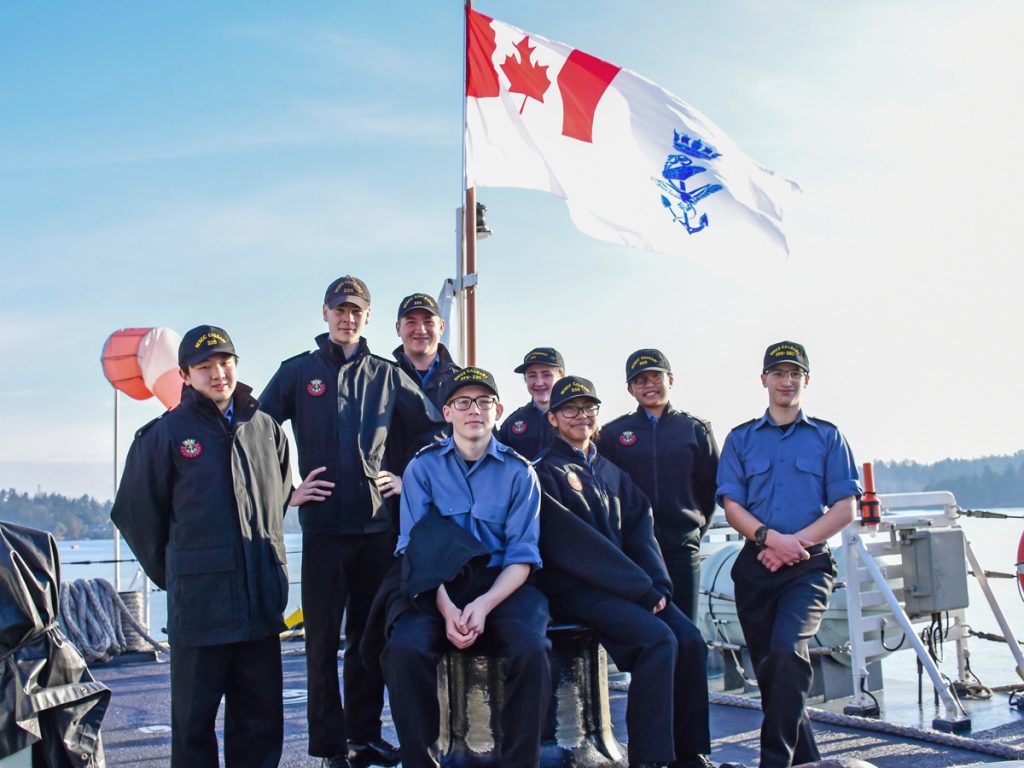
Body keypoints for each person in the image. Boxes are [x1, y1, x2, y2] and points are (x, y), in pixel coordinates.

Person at [260, 276, 444, 768]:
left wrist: (406, 478)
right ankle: (328, 745)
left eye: (356, 311)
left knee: (369, 640)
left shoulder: (386, 374)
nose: (348, 318)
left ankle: (364, 736)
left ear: (367, 318)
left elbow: (432, 430)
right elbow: (256, 432)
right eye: (340, 310)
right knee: (320, 646)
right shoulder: (298, 373)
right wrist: (286, 491)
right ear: (325, 314)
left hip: (375, 530)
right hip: (322, 532)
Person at [111, 325, 292, 768]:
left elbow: (279, 498)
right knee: (194, 729)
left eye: (225, 363)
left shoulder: (265, 428)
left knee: (260, 726)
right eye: (204, 366)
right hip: (201, 611)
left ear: (237, 366)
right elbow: (137, 515)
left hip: (259, 608)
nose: (218, 373)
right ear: (185, 375)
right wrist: (180, 572)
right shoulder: (165, 435)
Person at [534, 375, 712, 768]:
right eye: (570, 409)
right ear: (553, 418)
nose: (581, 416)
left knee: (691, 641)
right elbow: (574, 546)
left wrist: (659, 586)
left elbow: (639, 529)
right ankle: (650, 759)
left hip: (626, 588)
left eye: (588, 408)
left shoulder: (612, 473)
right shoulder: (545, 473)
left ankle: (690, 753)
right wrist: (639, 590)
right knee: (656, 641)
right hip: (575, 589)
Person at [381, 367, 550, 768]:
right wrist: (446, 608)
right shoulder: (422, 468)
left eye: (484, 402)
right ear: (447, 412)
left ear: (498, 410)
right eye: (463, 402)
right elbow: (414, 547)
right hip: (435, 581)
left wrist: (485, 605)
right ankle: (420, 762)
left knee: (532, 649)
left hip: (500, 584)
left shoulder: (520, 473)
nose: (474, 410)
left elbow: (522, 555)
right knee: (404, 649)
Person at [717, 341, 861, 768]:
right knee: (770, 673)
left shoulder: (828, 437)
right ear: (764, 379)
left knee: (785, 652)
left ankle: (774, 763)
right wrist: (768, 539)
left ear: (806, 380)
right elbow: (731, 504)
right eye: (778, 373)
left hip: (809, 567)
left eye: (794, 373)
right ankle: (806, 760)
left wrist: (792, 545)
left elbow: (845, 508)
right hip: (756, 565)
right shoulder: (740, 439)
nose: (786, 380)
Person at [600, 349, 719, 620]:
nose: (649, 385)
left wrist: (693, 531)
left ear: (671, 380)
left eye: (656, 377)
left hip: (682, 547)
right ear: (630, 389)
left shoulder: (695, 429)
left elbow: (710, 489)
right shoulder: (614, 434)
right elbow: (607, 492)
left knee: (686, 629)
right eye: (640, 380)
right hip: (635, 550)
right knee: (648, 630)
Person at [392, 292, 461, 410]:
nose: (421, 330)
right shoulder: (383, 381)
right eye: (411, 322)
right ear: (398, 329)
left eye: (428, 322)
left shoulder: (461, 383)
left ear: (441, 327)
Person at [496, 346, 565, 459]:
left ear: (562, 378)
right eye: (532, 375)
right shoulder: (512, 423)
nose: (539, 383)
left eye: (546, 375)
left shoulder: (575, 419)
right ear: (525, 379)